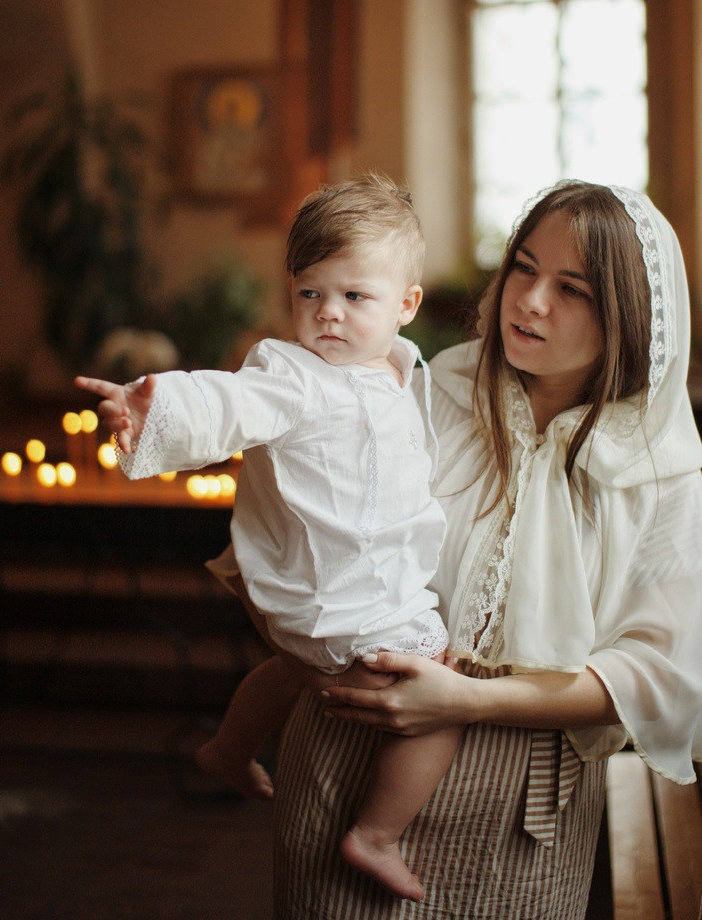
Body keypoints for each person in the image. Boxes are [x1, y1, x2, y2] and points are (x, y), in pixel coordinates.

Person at [262, 180, 702, 920]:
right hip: (351, 754)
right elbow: (287, 540)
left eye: (571, 289)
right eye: (522, 268)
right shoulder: (422, 394)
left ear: (629, 315)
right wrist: (307, 651)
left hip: (522, 804)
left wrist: (468, 698)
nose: (529, 301)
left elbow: (656, 675)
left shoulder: (661, 469)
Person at [75, 173, 463, 903]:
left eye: (355, 296)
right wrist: (153, 405)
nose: (328, 313)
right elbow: (227, 401)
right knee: (438, 701)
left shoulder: (399, 371)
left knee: (288, 669)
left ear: (406, 305)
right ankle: (375, 834)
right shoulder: (293, 376)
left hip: (355, 583)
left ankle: (227, 748)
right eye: (309, 292)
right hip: (339, 596)